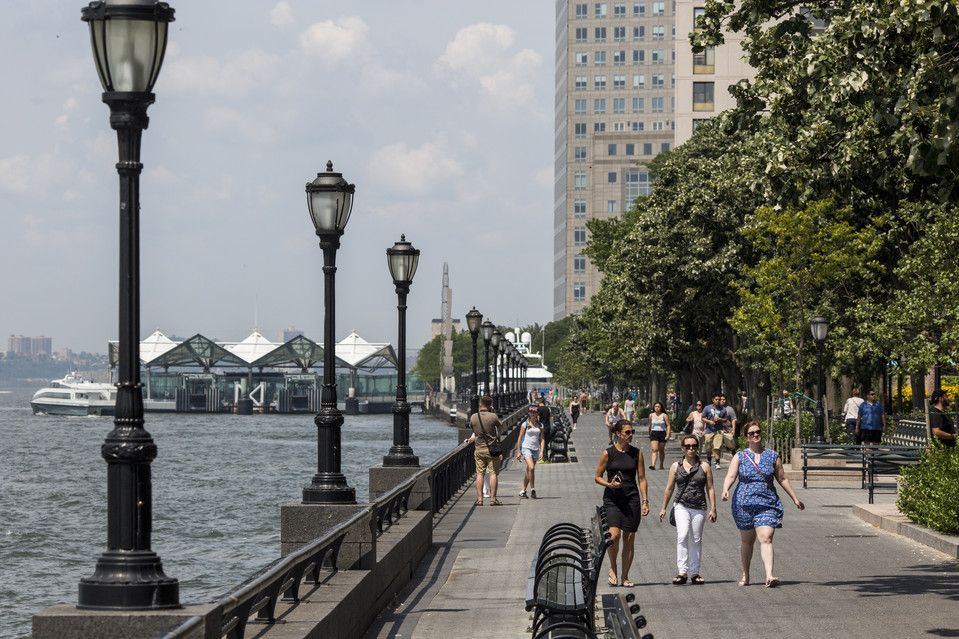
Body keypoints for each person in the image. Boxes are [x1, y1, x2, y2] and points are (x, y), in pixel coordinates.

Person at [721, 420, 805, 587]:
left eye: (758, 432)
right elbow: (731, 476)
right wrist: (725, 489)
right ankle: (746, 574)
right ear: (746, 438)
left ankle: (769, 575)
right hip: (743, 504)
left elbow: (782, 478)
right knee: (747, 541)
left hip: (767, 502)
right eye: (751, 433)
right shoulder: (740, 456)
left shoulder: (772, 456)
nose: (756, 435)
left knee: (766, 537)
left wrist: (795, 498)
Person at [594, 420, 649, 588]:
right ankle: (613, 568)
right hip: (612, 499)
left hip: (632, 499)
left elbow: (641, 478)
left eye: (632, 431)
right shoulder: (607, 453)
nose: (631, 435)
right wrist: (609, 484)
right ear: (618, 434)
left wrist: (645, 500)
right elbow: (597, 476)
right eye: (627, 432)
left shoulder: (637, 453)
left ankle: (625, 576)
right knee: (614, 535)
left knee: (629, 537)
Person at [659, 434, 717, 584]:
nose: (691, 449)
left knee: (696, 539)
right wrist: (663, 508)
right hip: (681, 505)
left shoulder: (704, 466)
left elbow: (710, 488)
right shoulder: (675, 466)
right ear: (683, 448)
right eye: (688, 446)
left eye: (694, 446)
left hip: (699, 506)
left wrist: (713, 508)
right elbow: (669, 488)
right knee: (682, 535)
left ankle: (695, 573)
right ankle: (682, 572)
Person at [465, 395, 503, 506]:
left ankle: (480, 499)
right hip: (492, 450)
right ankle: (493, 499)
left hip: (479, 449)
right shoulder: (493, 416)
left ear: (480, 404)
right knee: (493, 474)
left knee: (480, 474)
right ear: (490, 405)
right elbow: (500, 428)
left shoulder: (473, 417)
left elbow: (473, 429)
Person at [515, 410, 545, 498]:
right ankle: (533, 489)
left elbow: (542, 439)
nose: (533, 413)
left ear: (537, 413)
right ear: (529, 413)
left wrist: (542, 451)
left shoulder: (540, 425)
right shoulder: (525, 424)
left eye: (535, 412)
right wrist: (518, 451)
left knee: (529, 470)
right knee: (531, 467)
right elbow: (520, 438)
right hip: (526, 448)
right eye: (531, 412)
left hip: (535, 449)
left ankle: (523, 490)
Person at [702, 394, 729, 469]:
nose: (718, 401)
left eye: (719, 400)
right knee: (708, 447)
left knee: (717, 447)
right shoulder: (707, 408)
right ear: (713, 400)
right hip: (709, 430)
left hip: (718, 431)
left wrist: (720, 419)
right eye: (716, 399)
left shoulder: (723, 409)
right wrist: (709, 422)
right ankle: (709, 460)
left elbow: (726, 419)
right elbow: (703, 418)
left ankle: (717, 462)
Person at [647, 402, 671, 470]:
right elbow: (650, 425)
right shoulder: (651, 415)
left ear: (661, 408)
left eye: (658, 406)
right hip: (654, 433)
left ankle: (661, 464)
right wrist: (649, 433)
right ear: (654, 407)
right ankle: (653, 465)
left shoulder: (664, 415)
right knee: (654, 449)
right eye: (656, 406)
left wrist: (668, 434)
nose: (657, 408)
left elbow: (668, 425)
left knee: (661, 450)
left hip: (662, 433)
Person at [537, 398, 553, 463]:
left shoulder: (539, 409)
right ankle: (546, 458)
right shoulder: (547, 408)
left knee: (541, 443)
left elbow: (538, 419)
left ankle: (542, 458)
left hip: (541, 427)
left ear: (539, 402)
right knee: (546, 443)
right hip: (547, 426)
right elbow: (550, 417)